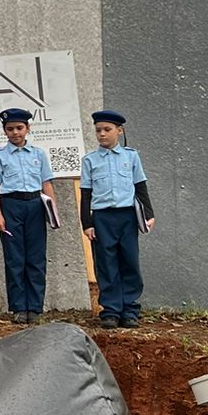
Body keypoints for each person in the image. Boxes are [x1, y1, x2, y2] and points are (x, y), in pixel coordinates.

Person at [80, 109, 155, 330]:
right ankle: (111, 311)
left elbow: (140, 187)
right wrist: (87, 223)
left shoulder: (131, 156)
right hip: (102, 217)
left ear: (119, 131)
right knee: (106, 263)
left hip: (127, 216)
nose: (102, 134)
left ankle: (130, 310)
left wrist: (149, 215)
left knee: (129, 261)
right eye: (98, 131)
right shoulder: (90, 161)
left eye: (107, 130)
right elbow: (86, 194)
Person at [0, 108, 57, 324]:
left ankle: (35, 307)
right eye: (10, 129)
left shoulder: (38, 154)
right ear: (5, 131)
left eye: (19, 128)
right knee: (14, 258)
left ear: (28, 129)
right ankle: (18, 307)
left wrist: (53, 212)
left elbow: (46, 183)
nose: (15, 132)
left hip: (35, 205)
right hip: (11, 205)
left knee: (36, 258)